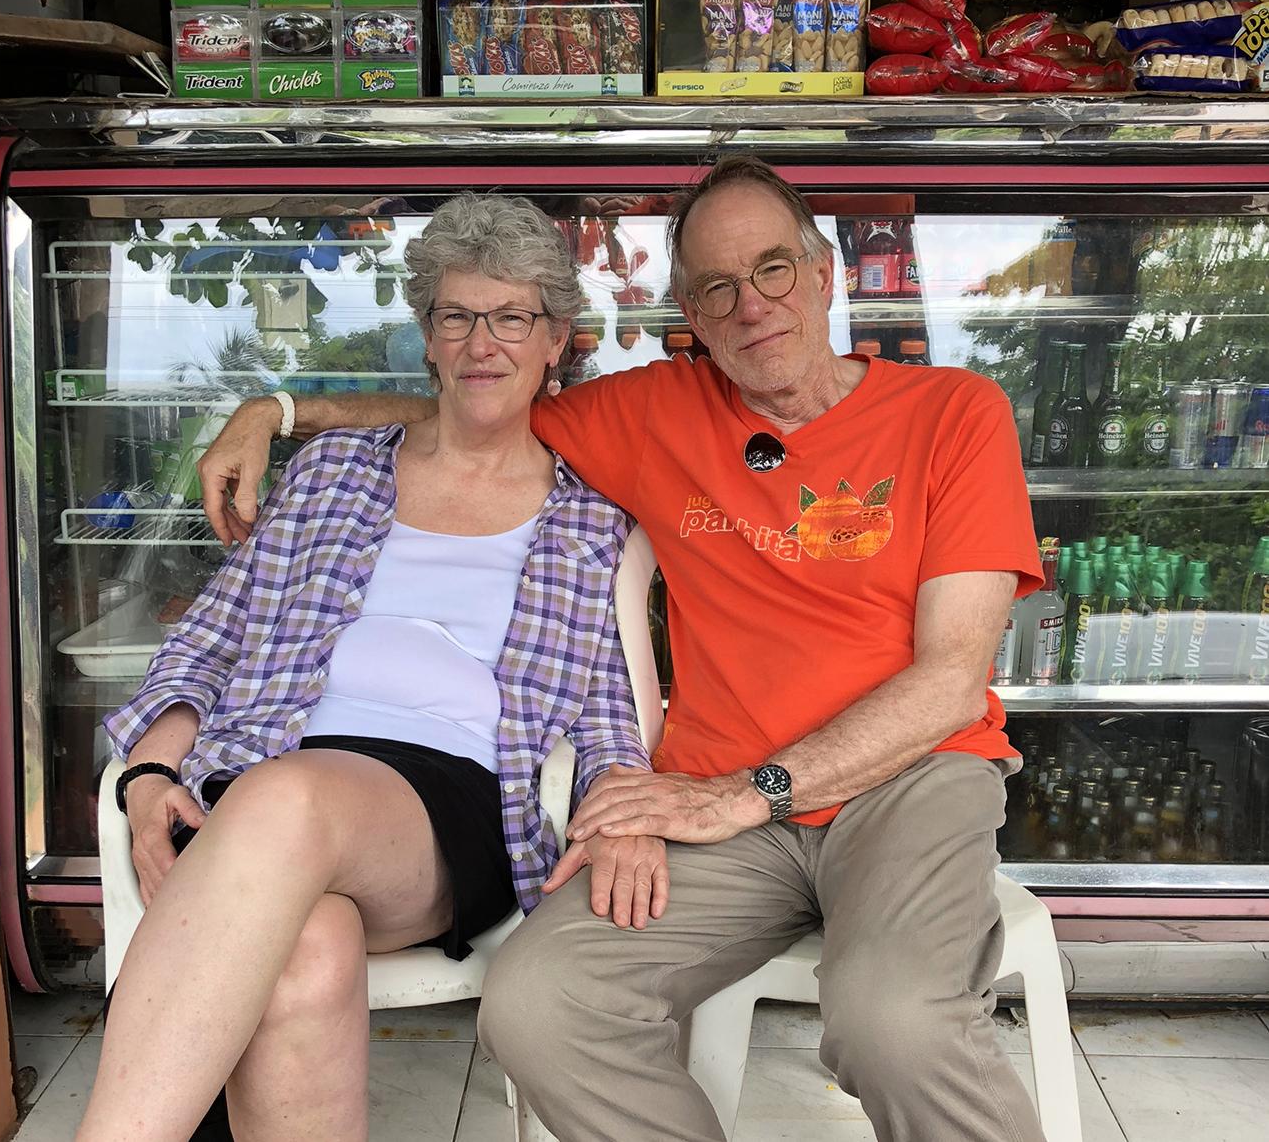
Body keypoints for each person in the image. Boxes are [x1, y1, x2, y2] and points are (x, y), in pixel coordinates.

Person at [199, 156, 1048, 1142]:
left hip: (903, 779)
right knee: (539, 1003)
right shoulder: (656, 410)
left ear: (821, 274)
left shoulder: (951, 413)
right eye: (716, 288)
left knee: (892, 1021)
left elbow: (950, 680)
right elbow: (471, 407)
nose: (750, 306)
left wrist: (749, 790)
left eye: (771, 269)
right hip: (717, 805)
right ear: (689, 308)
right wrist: (279, 412)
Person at [78, 194, 661, 1142]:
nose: (483, 343)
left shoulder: (591, 517)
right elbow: (208, 643)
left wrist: (624, 808)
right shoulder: (333, 471)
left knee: (284, 801)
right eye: (456, 316)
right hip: (271, 764)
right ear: (426, 336)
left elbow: (606, 710)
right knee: (307, 949)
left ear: (556, 339)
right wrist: (149, 770)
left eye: (511, 317)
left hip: (449, 801)